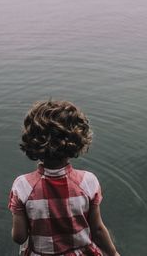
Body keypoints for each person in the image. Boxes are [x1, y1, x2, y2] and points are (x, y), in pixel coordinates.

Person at [8, 100, 120, 256]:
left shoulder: (22, 186)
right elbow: (98, 230)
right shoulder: (87, 181)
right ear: (76, 141)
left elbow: (19, 237)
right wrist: (114, 254)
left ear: (32, 141)